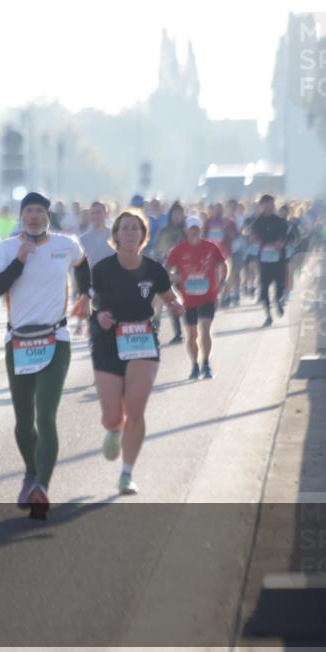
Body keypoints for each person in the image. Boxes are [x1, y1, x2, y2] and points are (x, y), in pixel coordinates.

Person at [0, 192, 90, 518]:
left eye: (39, 211)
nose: (34, 216)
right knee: (22, 421)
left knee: (45, 415)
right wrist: (19, 259)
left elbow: (82, 264)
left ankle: (42, 485)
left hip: (55, 337)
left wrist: (85, 294)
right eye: (28, 211)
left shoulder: (66, 244)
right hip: (18, 341)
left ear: (47, 214)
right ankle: (31, 471)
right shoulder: (6, 248)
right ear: (21, 215)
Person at [91, 209, 184, 495]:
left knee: (136, 408)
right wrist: (99, 317)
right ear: (116, 235)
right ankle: (113, 430)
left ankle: (127, 474)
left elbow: (170, 297)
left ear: (143, 235)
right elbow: (94, 305)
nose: (129, 233)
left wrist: (177, 306)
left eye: (135, 228)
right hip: (108, 342)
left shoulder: (154, 269)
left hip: (142, 340)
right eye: (124, 228)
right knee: (111, 416)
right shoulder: (102, 269)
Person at [165, 215, 228, 380]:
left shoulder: (211, 247)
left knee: (205, 328)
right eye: (191, 229)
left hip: (208, 296)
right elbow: (167, 269)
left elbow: (223, 264)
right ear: (186, 231)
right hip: (188, 299)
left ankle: (206, 363)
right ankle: (194, 365)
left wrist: (222, 282)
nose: (194, 232)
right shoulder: (178, 250)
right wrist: (174, 277)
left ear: (201, 230)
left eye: (197, 229)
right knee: (192, 334)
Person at [152, 202, 188, 344]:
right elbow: (158, 251)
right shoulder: (164, 232)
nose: (177, 215)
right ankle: (178, 333)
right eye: (175, 212)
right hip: (169, 271)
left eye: (180, 212)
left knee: (189, 303)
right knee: (171, 300)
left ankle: (192, 327)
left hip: (187, 271)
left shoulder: (187, 232)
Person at [251, 194, 289, 327]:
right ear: (261, 206)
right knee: (264, 287)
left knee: (279, 284)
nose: (269, 206)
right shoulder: (257, 222)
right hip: (264, 259)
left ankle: (278, 301)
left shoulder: (280, 221)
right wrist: (260, 242)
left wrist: (282, 242)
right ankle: (268, 315)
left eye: (271, 204)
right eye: (266, 204)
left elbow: (289, 237)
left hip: (278, 258)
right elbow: (253, 237)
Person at [79, 201, 115, 269]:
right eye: (92, 213)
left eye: (98, 213)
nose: (95, 216)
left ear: (106, 214)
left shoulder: (115, 237)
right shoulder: (83, 239)